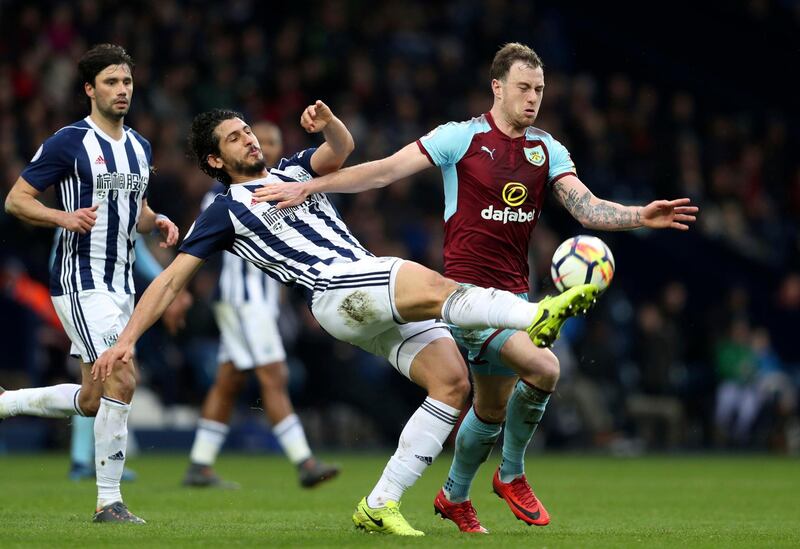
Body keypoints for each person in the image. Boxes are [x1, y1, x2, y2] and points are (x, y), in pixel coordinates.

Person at [253, 42, 699, 533]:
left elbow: (585, 207)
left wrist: (641, 215)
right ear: (497, 87)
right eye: (524, 88)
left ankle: (454, 496)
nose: (533, 98)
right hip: (464, 298)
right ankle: (511, 475)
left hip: (513, 296)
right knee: (545, 367)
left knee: (488, 409)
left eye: (541, 90)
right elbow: (383, 172)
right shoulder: (459, 139)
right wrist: (308, 188)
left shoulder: (547, 150)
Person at [91, 107, 598, 536]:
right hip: (336, 287)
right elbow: (171, 281)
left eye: (247, 130)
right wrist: (128, 340)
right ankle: (535, 313)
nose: (248, 139)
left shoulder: (292, 172)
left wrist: (329, 121)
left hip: (362, 293)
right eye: (234, 138)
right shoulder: (223, 209)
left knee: (450, 383)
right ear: (214, 160)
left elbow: (340, 149)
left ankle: (379, 504)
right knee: (436, 285)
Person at [0, 44, 180, 524]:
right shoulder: (68, 142)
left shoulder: (140, 146)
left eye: (126, 82)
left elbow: (134, 210)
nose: (122, 91)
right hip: (81, 281)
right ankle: (108, 501)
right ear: (89, 89)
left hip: (122, 286)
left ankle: (6, 403)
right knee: (123, 375)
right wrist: (63, 215)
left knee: (93, 397)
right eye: (111, 83)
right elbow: (17, 200)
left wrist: (157, 219)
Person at [182, 110, 345, 489]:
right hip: (244, 298)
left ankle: (200, 464)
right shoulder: (223, 197)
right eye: (256, 140)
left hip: (258, 298)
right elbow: (196, 247)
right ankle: (304, 461)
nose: (261, 146)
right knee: (274, 374)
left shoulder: (282, 181)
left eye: (268, 141)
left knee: (229, 380)